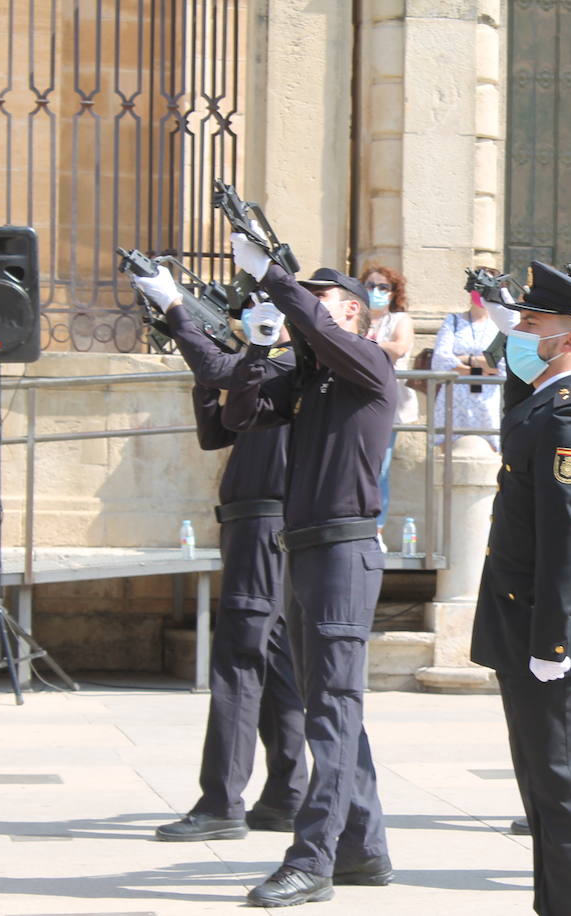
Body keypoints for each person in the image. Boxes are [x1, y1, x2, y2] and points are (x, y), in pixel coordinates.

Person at [222, 250, 397, 908]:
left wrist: (274, 276)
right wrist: (257, 348)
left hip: (343, 553)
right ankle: (364, 847)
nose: (307, 309)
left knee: (331, 711)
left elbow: (319, 329)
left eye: (320, 299)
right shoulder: (314, 381)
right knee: (333, 706)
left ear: (351, 311)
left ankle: (313, 856)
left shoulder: (368, 365)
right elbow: (239, 417)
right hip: (304, 551)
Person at [469, 261, 571, 916]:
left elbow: (567, 538)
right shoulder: (545, 401)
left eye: (531, 324)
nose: (517, 333)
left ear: (570, 338)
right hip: (527, 626)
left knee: (563, 802)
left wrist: (552, 641)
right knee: (543, 796)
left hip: (561, 638)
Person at [127, 269, 307, 842]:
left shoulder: (291, 361)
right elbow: (217, 431)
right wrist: (205, 367)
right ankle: (285, 794)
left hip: (266, 522)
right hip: (248, 522)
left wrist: (180, 311)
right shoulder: (261, 364)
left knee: (237, 661)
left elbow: (223, 368)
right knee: (273, 661)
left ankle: (221, 803)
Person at [359, 264, 416, 519]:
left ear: (394, 292)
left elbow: (400, 347)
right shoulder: (356, 317)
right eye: (371, 286)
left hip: (385, 401)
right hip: (355, 399)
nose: (376, 291)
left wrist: (367, 345)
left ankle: (376, 525)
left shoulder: (399, 319)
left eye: (383, 287)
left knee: (379, 468)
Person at [431, 289, 504, 451]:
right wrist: (480, 365)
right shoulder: (453, 320)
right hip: (454, 397)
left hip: (487, 399)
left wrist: (463, 359)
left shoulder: (501, 326)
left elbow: (501, 366)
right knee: (449, 451)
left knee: (489, 449)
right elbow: (441, 359)